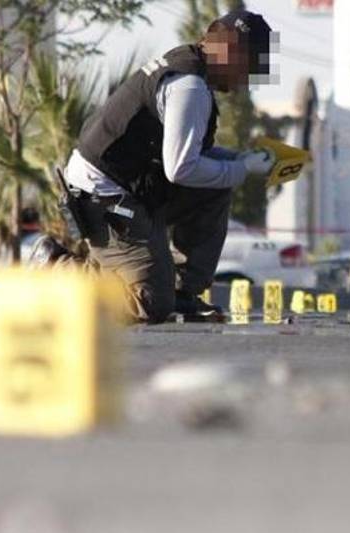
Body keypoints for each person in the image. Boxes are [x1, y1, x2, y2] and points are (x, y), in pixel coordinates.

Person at [50, 9, 277, 323]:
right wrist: (241, 170)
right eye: (248, 69)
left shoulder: (187, 68)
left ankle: (183, 294)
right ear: (230, 52)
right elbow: (181, 169)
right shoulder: (189, 87)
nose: (246, 82)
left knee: (215, 185)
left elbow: (186, 154)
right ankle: (55, 266)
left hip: (128, 190)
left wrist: (238, 159)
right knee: (150, 302)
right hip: (103, 198)